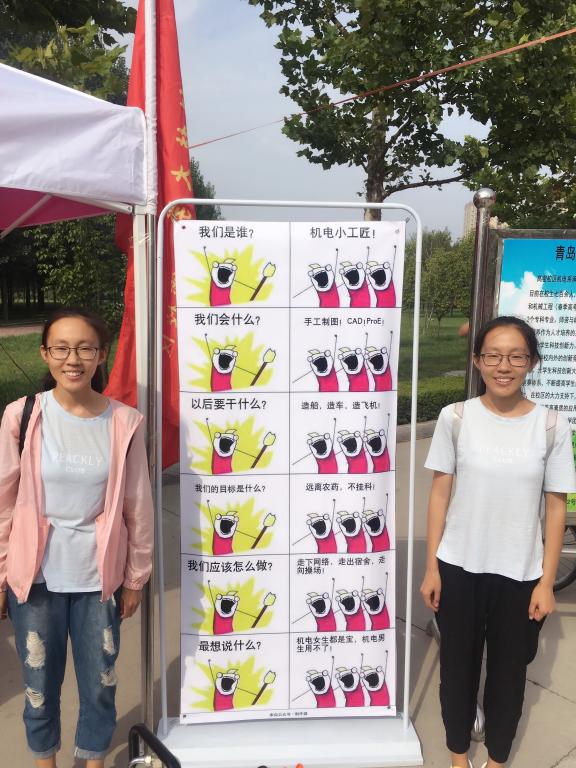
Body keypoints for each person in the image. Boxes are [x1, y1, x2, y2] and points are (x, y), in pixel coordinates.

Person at [0, 308, 154, 768]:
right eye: (62, 348)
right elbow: (3, 501)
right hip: (35, 579)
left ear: (101, 355)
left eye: (85, 348)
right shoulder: (22, 415)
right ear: (45, 353)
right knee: (38, 687)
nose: (73, 359)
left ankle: (93, 760)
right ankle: (44, 762)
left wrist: (135, 577)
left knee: (100, 683)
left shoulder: (124, 422)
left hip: (97, 580)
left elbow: (138, 505)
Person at [420, 315, 576, 768]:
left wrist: (546, 582)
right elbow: (440, 495)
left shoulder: (551, 426)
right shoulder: (456, 417)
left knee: (509, 675)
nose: (503, 366)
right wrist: (432, 568)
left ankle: (497, 760)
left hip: (520, 575)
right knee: (457, 672)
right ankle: (458, 755)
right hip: (458, 568)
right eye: (493, 355)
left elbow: (555, 508)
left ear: (531, 363)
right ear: (477, 361)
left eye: (515, 357)